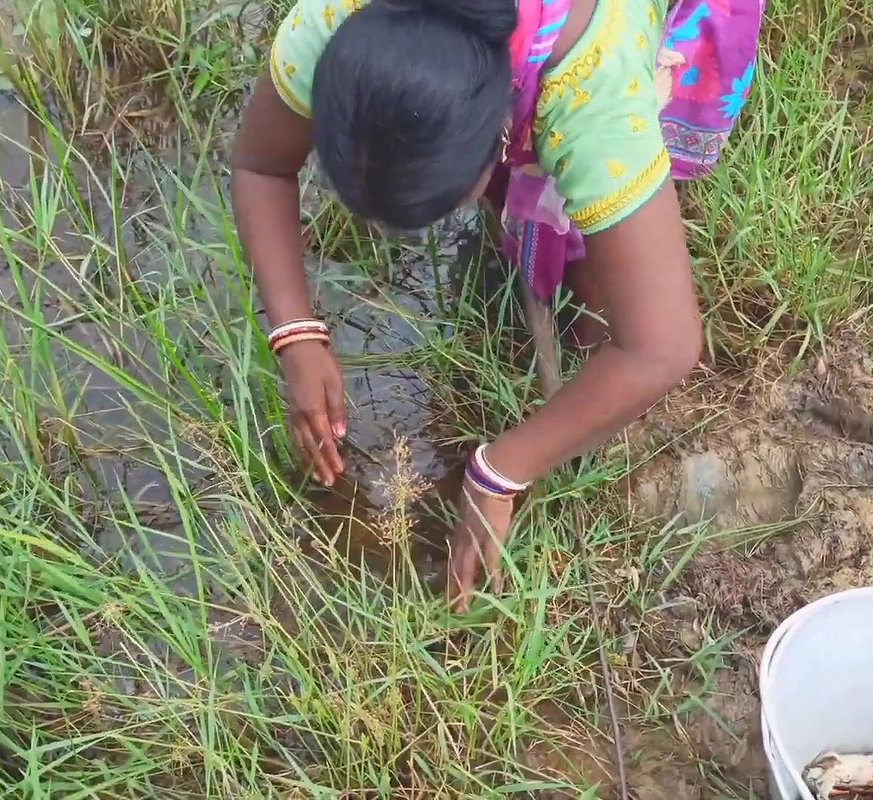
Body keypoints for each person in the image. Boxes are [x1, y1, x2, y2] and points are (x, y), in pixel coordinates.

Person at [230, 0, 764, 610]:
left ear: (507, 129)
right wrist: (294, 334)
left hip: (584, 71)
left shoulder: (593, 86)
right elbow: (260, 164)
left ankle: (584, 296)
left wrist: (503, 469)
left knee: (602, 271)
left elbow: (662, 347)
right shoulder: (333, 18)